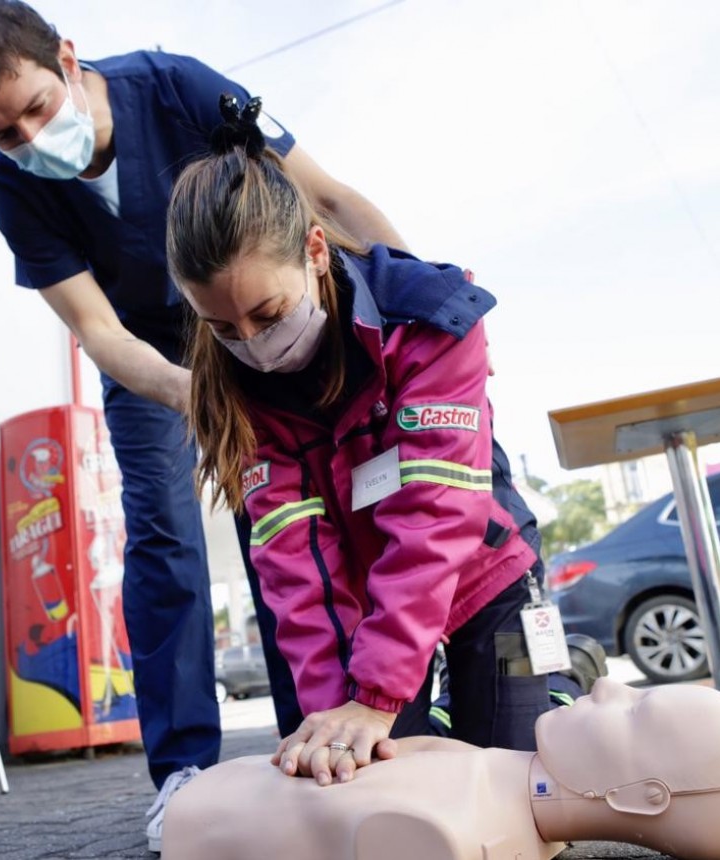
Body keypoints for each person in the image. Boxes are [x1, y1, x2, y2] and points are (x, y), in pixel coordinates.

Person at [0, 1, 407, 849]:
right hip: (154, 364)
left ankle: (320, 738)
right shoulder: (15, 191)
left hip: (256, 321)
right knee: (163, 540)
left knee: (286, 521)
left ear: (68, 59)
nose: (33, 139)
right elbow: (101, 332)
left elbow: (323, 196)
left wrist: (418, 306)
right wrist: (211, 395)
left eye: (38, 107)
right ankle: (183, 769)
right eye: (4, 133)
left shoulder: (178, 89)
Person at [165, 97, 601, 785]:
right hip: (369, 612)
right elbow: (294, 568)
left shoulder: (427, 319)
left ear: (314, 250)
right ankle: (434, 711)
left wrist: (376, 696)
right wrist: (342, 713)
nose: (252, 344)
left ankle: (561, 679)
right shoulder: (232, 391)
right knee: (383, 782)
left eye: (268, 313)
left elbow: (435, 517)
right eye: (223, 328)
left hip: (484, 574)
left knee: (527, 782)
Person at [162, 677, 720, 860]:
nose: (608, 685)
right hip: (214, 800)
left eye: (636, 711)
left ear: (645, 797)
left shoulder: (445, 831)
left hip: (199, 821)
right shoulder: (488, 781)